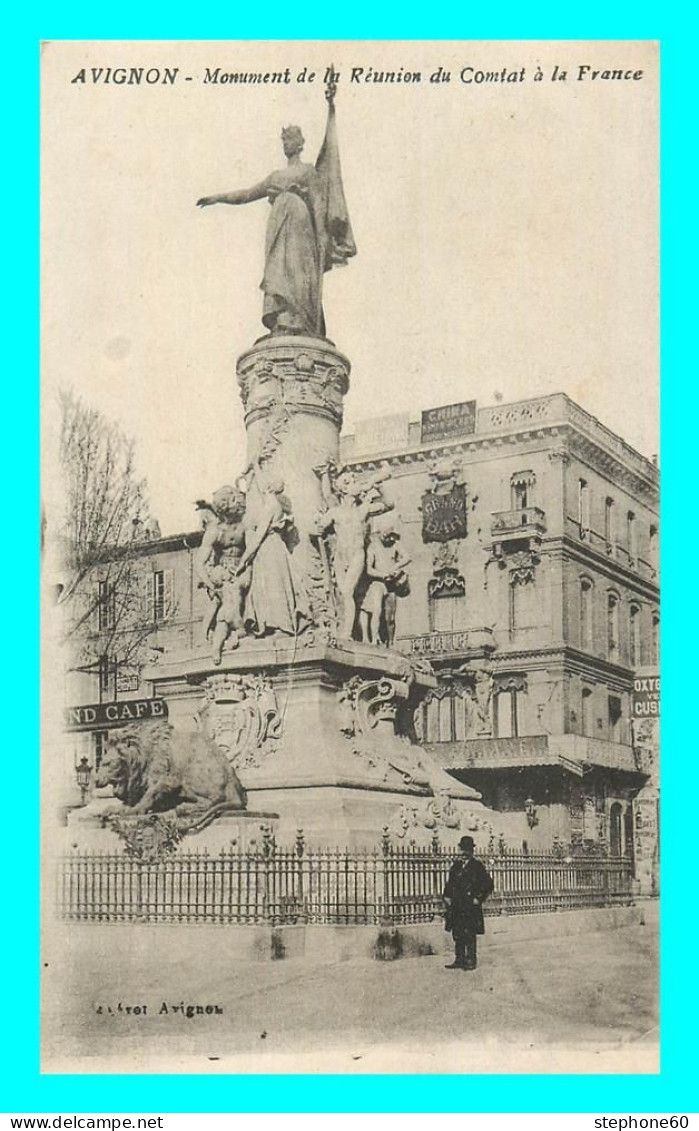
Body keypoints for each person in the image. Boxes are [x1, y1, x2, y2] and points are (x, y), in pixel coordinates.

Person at [197, 97, 355, 338]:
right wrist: (216, 197)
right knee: (277, 272)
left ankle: (298, 321)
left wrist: (322, 239)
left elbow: (319, 207)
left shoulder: (308, 172)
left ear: (300, 144)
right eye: (284, 140)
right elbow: (246, 194)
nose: (286, 144)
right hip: (278, 224)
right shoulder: (275, 177)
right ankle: (282, 318)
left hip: (300, 226)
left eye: (290, 139)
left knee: (297, 271)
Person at [237, 474, 310, 637]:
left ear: (268, 487)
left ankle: (281, 626)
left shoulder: (269, 506)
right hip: (272, 546)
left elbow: (258, 537)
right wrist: (256, 466)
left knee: (274, 586)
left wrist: (243, 561)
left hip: (268, 547)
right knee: (272, 585)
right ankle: (274, 625)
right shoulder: (274, 504)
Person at [195, 486, 250, 665]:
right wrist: (209, 583)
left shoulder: (245, 525)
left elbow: (252, 549)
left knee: (233, 593)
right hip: (223, 570)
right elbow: (199, 563)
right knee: (230, 594)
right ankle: (233, 633)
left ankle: (232, 634)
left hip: (244, 568)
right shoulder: (215, 531)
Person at [443, 835, 494, 970]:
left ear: (471, 851)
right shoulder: (456, 866)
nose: (464, 853)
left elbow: (488, 884)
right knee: (457, 933)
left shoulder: (477, 866)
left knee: (469, 933)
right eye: (462, 849)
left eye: (467, 850)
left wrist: (479, 898)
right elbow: (450, 883)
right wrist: (447, 896)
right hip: (456, 905)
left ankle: (471, 959)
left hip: (470, 906)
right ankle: (459, 959)